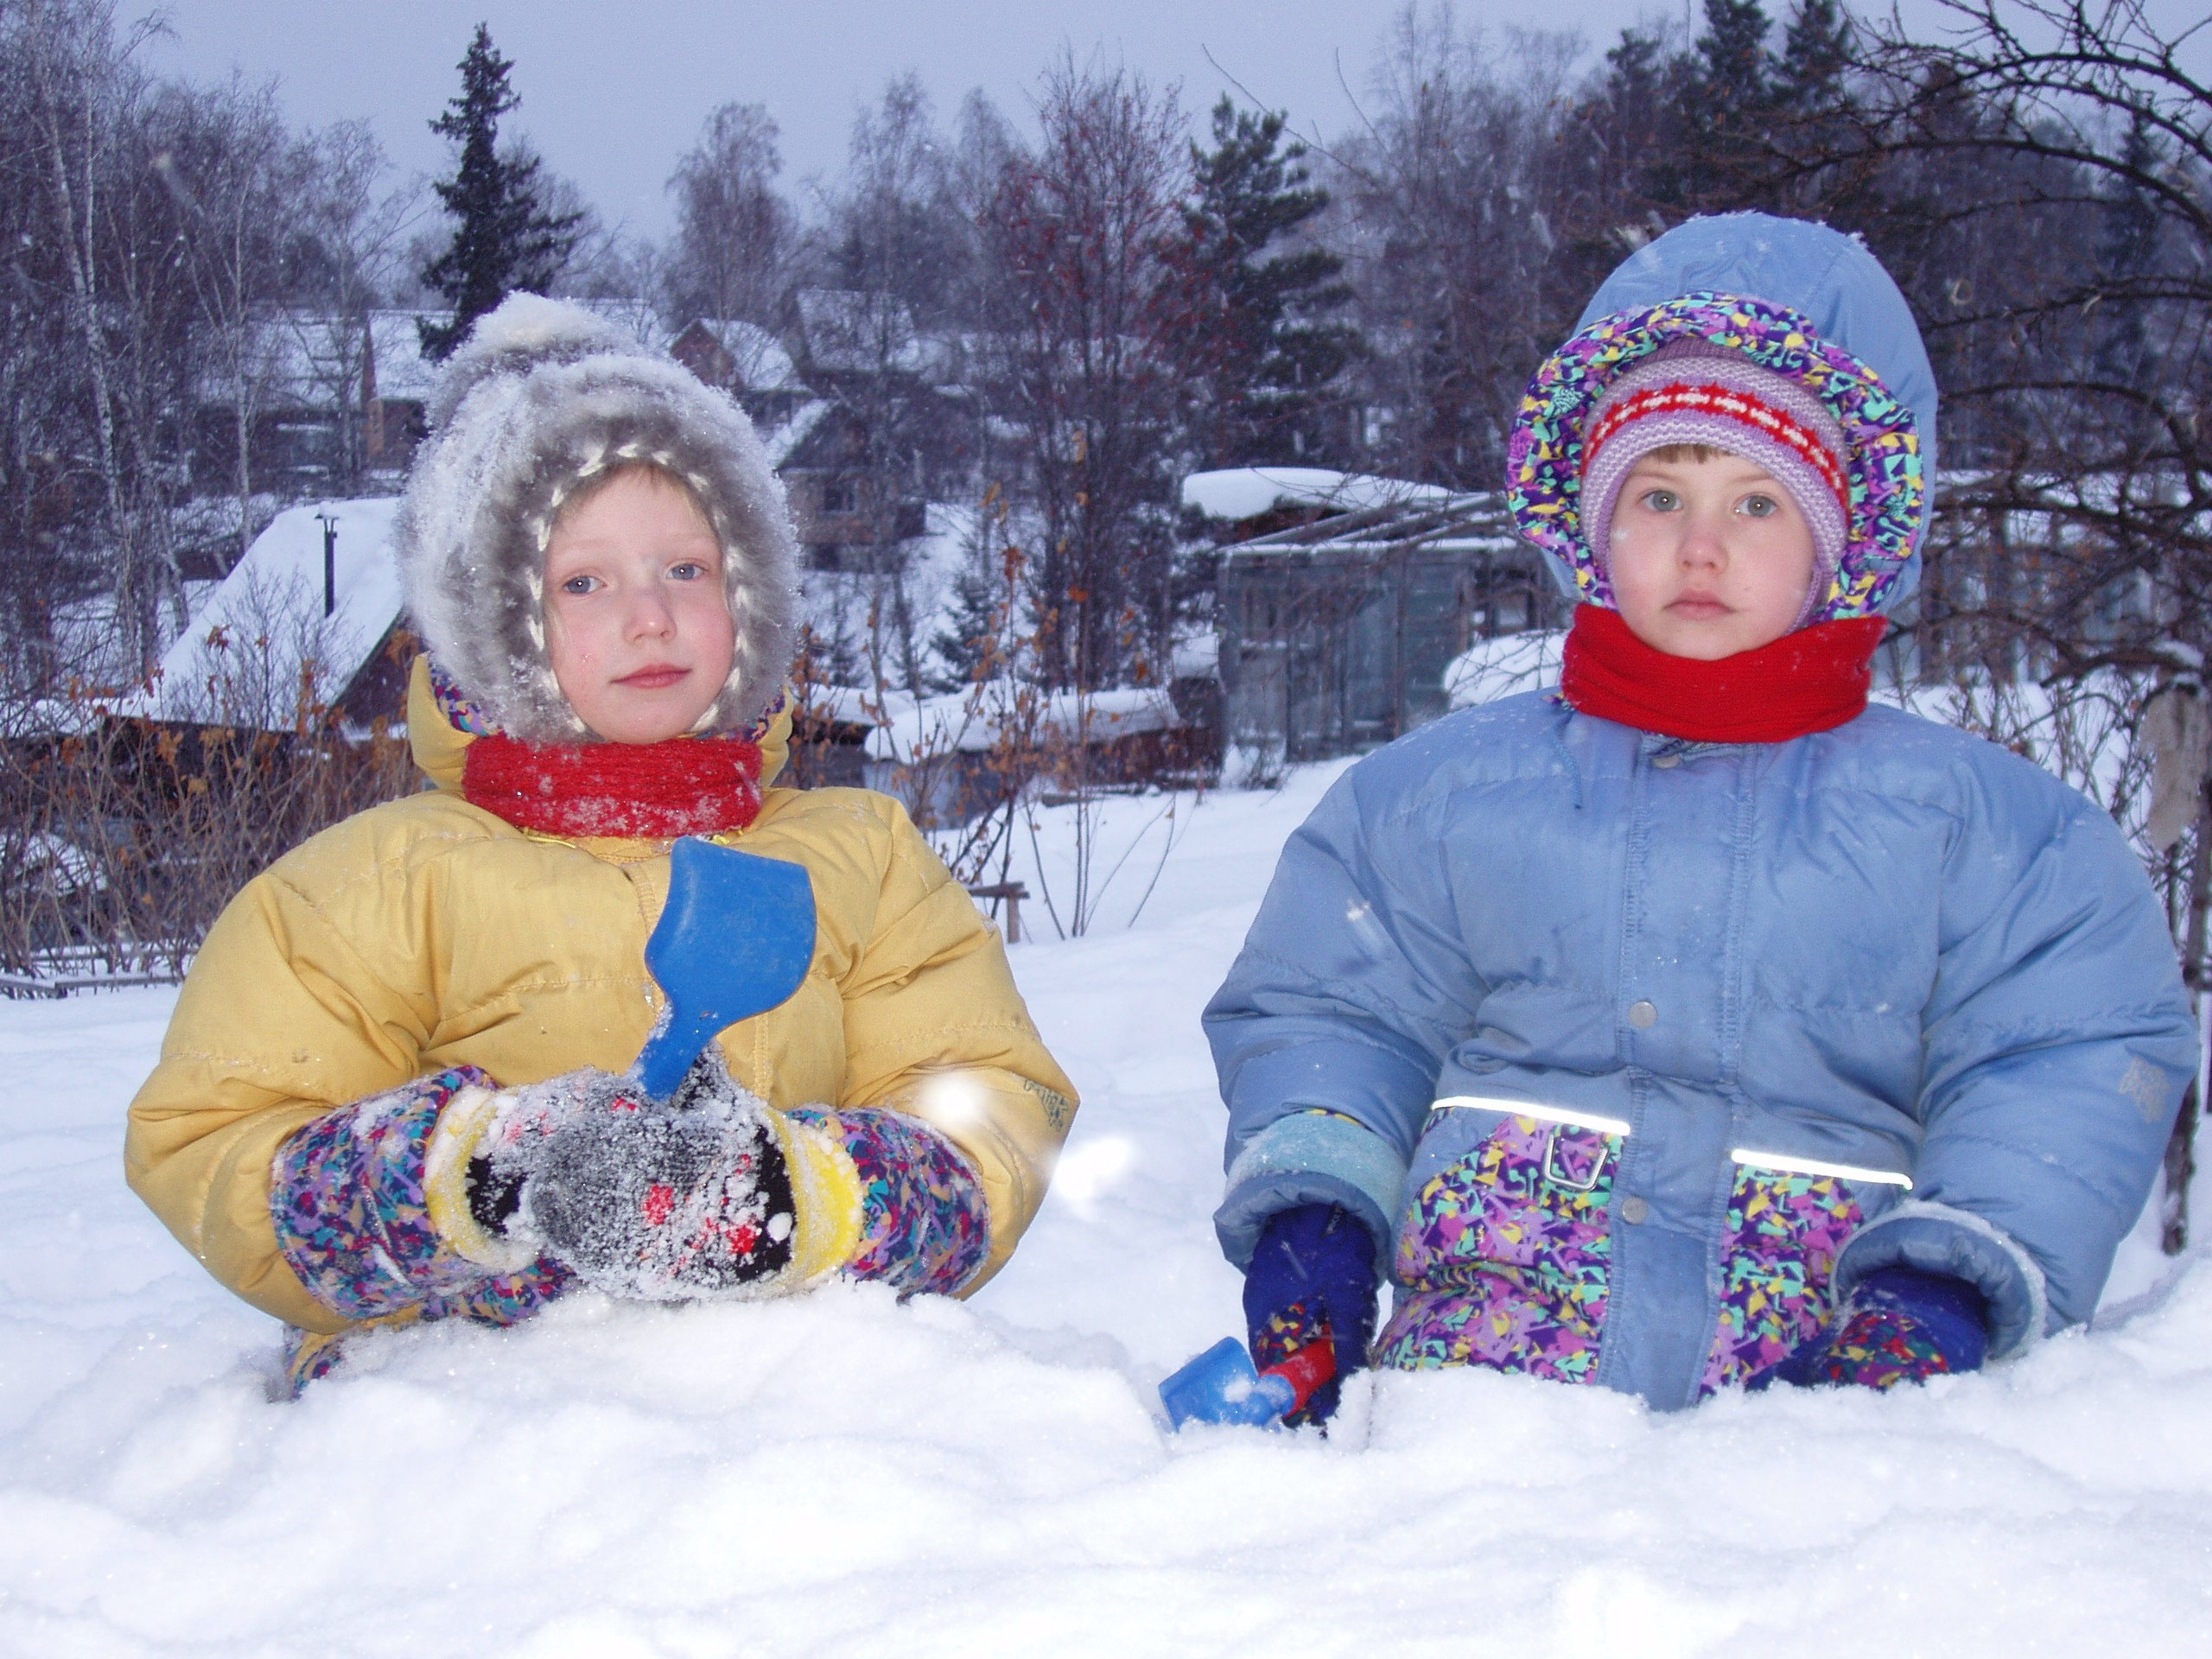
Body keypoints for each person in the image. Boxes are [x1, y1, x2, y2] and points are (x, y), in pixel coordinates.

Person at [1205, 213, 2196, 1421]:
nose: (1702, 546)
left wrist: (1948, 1278)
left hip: (1817, 1426)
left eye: (1760, 504)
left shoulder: (1986, 833)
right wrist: (1319, 1200)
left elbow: (2068, 1055)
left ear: (1844, 544)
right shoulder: (1438, 800)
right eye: (1660, 492)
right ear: (1589, 522)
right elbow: (1333, 1006)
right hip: (1478, 1428)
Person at [125, 296, 1077, 1391]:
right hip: (459, 1444)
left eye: (688, 569)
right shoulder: (370, 886)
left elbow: (990, 1111)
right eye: (584, 582)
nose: (652, 619)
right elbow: (214, 1142)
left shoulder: (861, 858)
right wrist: (481, 1178)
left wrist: (792, 1197)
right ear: (493, 625)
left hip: (793, 1417)